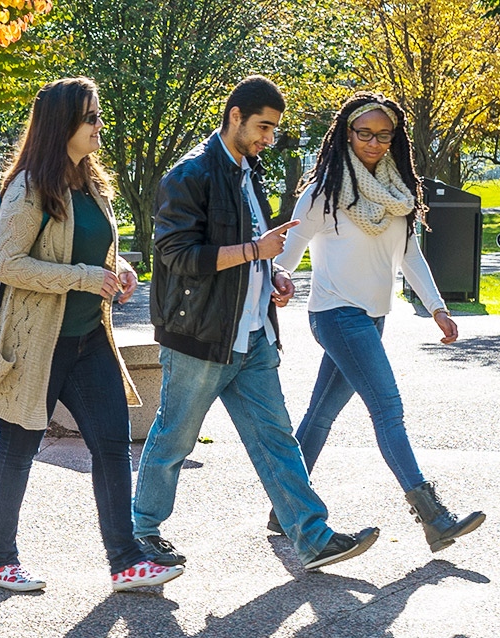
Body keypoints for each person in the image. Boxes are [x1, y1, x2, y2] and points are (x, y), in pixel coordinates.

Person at [132, 75, 379, 576]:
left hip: (253, 334)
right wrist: (253, 253)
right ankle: (140, 535)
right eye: (263, 127)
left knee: (276, 439)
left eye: (274, 130)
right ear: (235, 116)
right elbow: (176, 255)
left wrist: (273, 272)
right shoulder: (191, 174)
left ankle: (312, 538)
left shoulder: (249, 170)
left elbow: (251, 245)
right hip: (201, 337)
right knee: (174, 439)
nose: (269, 138)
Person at [0, 77, 160, 592]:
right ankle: (1, 561)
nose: (100, 125)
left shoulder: (92, 181)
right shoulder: (31, 186)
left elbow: (92, 247)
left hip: (90, 337)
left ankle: (126, 562)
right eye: (92, 117)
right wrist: (83, 277)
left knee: (114, 445)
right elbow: (7, 264)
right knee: (17, 447)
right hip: (38, 341)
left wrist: (117, 270)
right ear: (64, 126)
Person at [272, 92, 485, 552]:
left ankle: (284, 508)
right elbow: (289, 250)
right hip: (335, 314)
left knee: (322, 414)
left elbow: (409, 255)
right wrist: (280, 278)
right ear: (346, 133)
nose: (373, 142)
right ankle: (434, 518)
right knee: (388, 410)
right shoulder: (323, 190)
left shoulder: (398, 196)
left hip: (373, 318)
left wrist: (437, 307)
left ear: (395, 138)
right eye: (364, 133)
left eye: (383, 135)